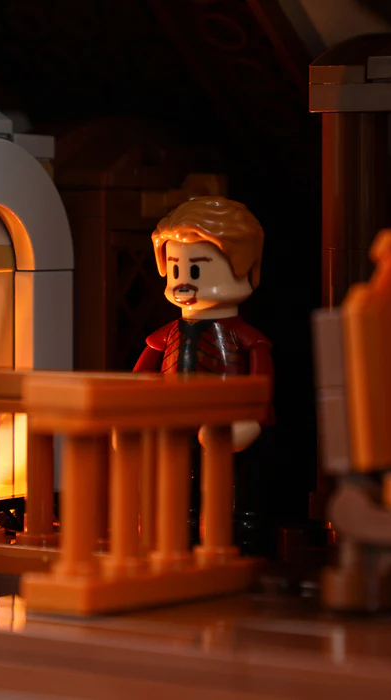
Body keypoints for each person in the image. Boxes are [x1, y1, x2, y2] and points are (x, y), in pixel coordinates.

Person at [133, 196, 274, 551]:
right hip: (176, 421)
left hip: (226, 421)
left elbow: (262, 381)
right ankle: (177, 529)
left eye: (195, 271)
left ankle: (239, 533)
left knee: (235, 482)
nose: (183, 283)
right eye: (176, 270)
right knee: (177, 480)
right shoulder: (168, 334)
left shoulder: (243, 337)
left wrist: (253, 419)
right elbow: (141, 373)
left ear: (244, 269)